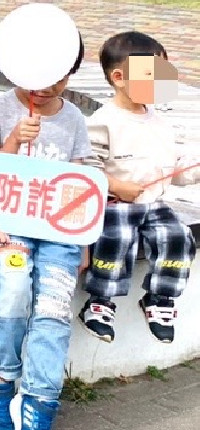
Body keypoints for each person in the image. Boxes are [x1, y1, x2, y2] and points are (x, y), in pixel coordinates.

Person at [0, 36, 92, 430]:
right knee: (12, 290)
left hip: (60, 236)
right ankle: (1, 382)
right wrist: (12, 140)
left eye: (56, 76)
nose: (43, 87)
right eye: (35, 76)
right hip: (12, 232)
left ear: (70, 73)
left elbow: (81, 187)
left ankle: (39, 402)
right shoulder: (0, 108)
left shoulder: (75, 120)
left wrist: (83, 241)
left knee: (53, 309)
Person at [80, 32, 198, 344]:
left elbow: (173, 169)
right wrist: (115, 185)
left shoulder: (160, 122)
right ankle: (99, 302)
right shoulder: (103, 120)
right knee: (116, 237)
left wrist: (194, 171)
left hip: (153, 206)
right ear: (119, 77)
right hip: (116, 204)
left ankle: (159, 299)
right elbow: (86, 167)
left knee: (178, 237)